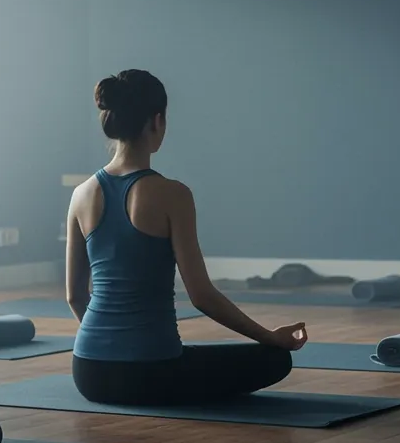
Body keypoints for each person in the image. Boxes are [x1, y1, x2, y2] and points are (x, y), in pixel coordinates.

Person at [66, 69, 307, 405]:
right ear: (157, 121)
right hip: (152, 373)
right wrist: (269, 337)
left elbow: (75, 296)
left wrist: (106, 346)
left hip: (88, 372)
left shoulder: (81, 194)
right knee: (275, 359)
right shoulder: (173, 195)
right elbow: (202, 296)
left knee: (192, 356)